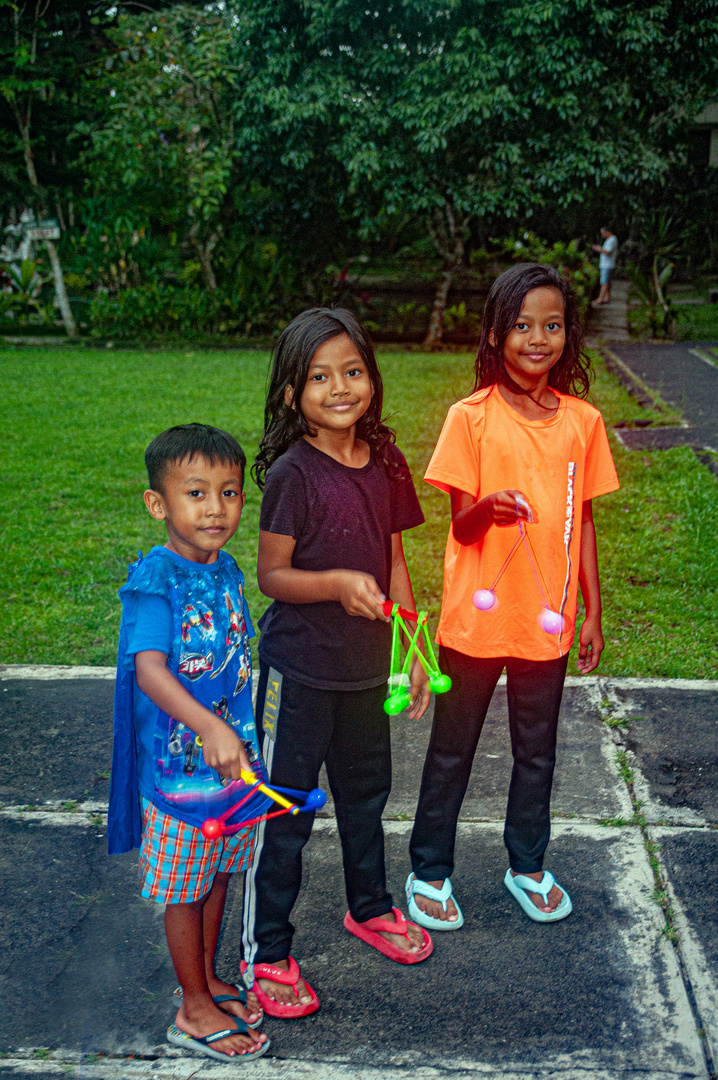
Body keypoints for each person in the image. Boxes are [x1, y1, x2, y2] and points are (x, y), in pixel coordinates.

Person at [405, 263, 619, 931]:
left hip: (546, 620)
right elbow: (460, 524)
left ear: (567, 335)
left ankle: (526, 864)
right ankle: (428, 870)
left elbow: (581, 519)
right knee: (451, 748)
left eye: (551, 325)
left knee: (538, 750)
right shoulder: (468, 418)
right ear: (496, 334)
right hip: (475, 620)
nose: (537, 338)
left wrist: (591, 610)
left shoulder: (582, 422)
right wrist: (489, 509)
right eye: (522, 325)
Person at [241, 307, 433, 1019]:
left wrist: (413, 648)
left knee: (366, 795)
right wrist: (335, 586)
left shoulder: (384, 461)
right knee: (284, 811)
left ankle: (370, 907)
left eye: (352, 371)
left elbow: (392, 557)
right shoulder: (293, 473)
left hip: (363, 669)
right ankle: (268, 951)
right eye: (319, 376)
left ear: (371, 378)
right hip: (299, 672)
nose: (340, 386)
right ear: (292, 393)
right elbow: (272, 574)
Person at [107, 423, 270, 1063]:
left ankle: (203, 979)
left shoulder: (225, 567)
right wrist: (208, 728)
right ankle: (191, 1007)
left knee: (219, 875)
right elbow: (148, 669)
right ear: (159, 505)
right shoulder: (156, 578)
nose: (215, 509)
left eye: (229, 493)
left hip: (232, 770)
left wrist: (232, 739)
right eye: (196, 493)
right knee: (184, 889)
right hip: (179, 778)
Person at [592, 227, 619, 305]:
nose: (602, 235)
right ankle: (607, 298)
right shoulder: (609, 240)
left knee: (604, 282)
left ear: (608, 231)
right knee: (607, 281)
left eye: (603, 233)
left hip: (607, 265)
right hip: (606, 264)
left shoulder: (612, 240)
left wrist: (599, 249)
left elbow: (607, 252)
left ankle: (600, 299)